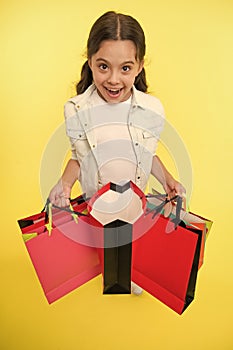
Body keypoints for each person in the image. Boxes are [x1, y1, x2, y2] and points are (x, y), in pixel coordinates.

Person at [49, 11, 186, 295]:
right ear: (90, 61)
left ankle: (131, 267)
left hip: (136, 209)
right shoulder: (76, 109)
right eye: (103, 67)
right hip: (96, 210)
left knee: (135, 276)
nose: (113, 80)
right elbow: (79, 157)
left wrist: (169, 180)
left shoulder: (152, 109)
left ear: (139, 66)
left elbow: (148, 154)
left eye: (125, 68)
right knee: (101, 266)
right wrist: (64, 184)